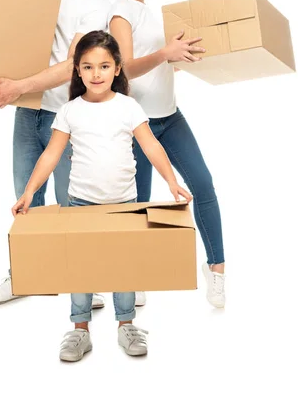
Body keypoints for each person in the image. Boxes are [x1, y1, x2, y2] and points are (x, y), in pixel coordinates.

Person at [12, 30, 192, 361]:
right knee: (81, 269)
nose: (97, 74)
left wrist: (172, 181)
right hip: (81, 204)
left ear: (117, 69)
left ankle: (126, 324)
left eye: (105, 66)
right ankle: (80, 330)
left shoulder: (128, 107)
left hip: (124, 203)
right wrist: (29, 192)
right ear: (77, 71)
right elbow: (51, 155)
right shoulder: (70, 111)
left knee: (123, 268)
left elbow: (151, 145)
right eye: (88, 67)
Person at [0, 0, 112, 308]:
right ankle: (25, 275)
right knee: (26, 197)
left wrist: (18, 86)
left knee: (72, 204)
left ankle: (84, 283)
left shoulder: (96, 2)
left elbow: (74, 62)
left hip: (68, 118)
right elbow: (16, 43)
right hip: (29, 111)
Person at [104, 0, 226, 308]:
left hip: (170, 118)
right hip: (138, 125)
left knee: (202, 185)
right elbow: (124, 68)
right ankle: (134, 276)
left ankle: (217, 271)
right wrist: (165, 53)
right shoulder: (119, 13)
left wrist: (178, 56)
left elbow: (161, 59)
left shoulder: (156, 10)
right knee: (138, 203)